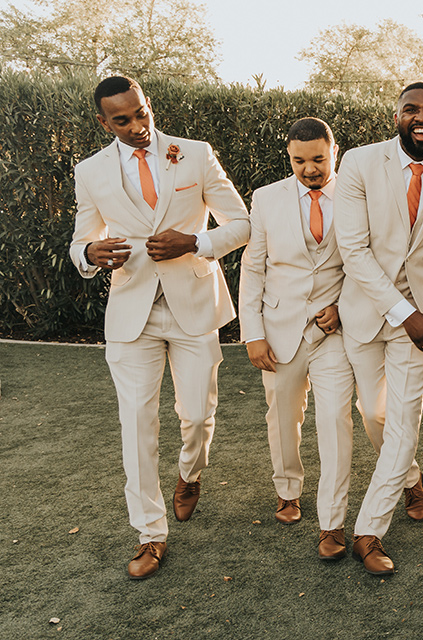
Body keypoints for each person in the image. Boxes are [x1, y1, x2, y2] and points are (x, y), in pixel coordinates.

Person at [69, 75, 249, 579]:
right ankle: (150, 533)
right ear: (103, 123)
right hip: (131, 312)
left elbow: (242, 223)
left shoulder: (194, 153)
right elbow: (82, 238)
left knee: (196, 415)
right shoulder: (90, 171)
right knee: (137, 425)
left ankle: (190, 474)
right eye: (122, 120)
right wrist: (89, 253)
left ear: (148, 105)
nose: (137, 126)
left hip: (194, 304)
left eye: (141, 112)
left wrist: (195, 241)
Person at [335, 82, 423, 575]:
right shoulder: (359, 163)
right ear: (396, 117)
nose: (421, 116)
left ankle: (369, 531)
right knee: (375, 416)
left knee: (403, 420)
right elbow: (353, 250)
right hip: (370, 311)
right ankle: (411, 478)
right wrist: (403, 313)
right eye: (410, 109)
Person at [238, 117, 355, 560]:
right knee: (283, 417)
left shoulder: (356, 192)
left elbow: (367, 259)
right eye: (299, 161)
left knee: (335, 421)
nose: (309, 169)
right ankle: (288, 491)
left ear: (335, 151)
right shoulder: (267, 198)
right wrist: (252, 333)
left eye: (318, 159)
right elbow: (254, 267)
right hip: (280, 328)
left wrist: (343, 306)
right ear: (289, 157)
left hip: (336, 332)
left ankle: (332, 523)